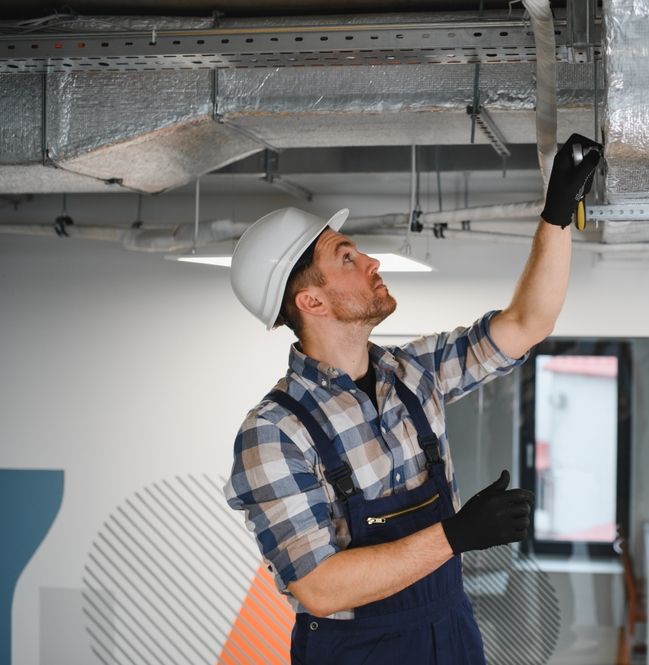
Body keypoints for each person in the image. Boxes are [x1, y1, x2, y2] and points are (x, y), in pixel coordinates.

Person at [224, 134, 603, 665]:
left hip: (448, 629)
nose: (372, 261)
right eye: (348, 258)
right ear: (311, 300)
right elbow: (319, 587)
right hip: (358, 651)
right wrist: (455, 535)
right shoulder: (273, 433)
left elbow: (526, 323)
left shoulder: (413, 374)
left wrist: (558, 211)